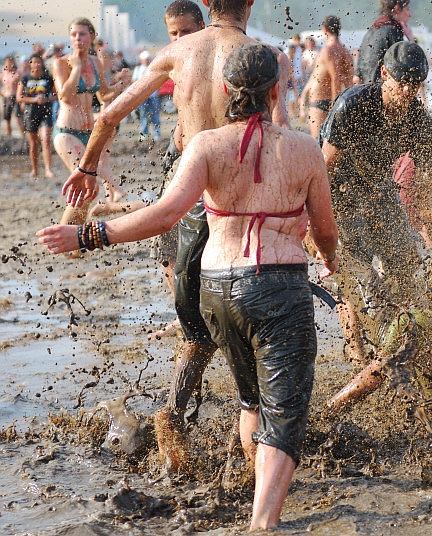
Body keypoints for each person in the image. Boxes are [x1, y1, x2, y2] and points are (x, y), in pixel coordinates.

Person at [39, 43, 338, 532]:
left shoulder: (204, 145)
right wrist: (328, 259)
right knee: (284, 414)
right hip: (279, 288)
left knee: (251, 401)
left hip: (218, 290)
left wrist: (87, 235)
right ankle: (262, 522)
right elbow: (324, 230)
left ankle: (250, 484)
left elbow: (165, 215)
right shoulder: (304, 149)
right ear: (277, 91)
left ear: (224, 90)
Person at [59, 0, 291, 472]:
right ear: (250, 4)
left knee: (196, 332)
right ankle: (242, 445)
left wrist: (86, 168)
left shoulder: (179, 52)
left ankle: (173, 426)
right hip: (242, 207)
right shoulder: (261, 56)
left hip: (190, 203)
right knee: (251, 325)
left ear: (207, 5)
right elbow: (280, 130)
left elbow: (110, 115)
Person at [320, 40, 432, 364]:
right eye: (402, 84)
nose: (408, 93)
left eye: (415, 86)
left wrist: (427, 223)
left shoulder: (418, 120)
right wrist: (313, 222)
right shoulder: (353, 105)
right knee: (358, 277)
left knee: (407, 260)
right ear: (384, 73)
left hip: (379, 189)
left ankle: (400, 341)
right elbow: (322, 168)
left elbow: (427, 178)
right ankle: (356, 353)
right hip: (339, 193)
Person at [148, 0, 207, 341]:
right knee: (165, 245)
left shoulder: (213, 56)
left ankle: (193, 320)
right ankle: (183, 314)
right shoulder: (173, 60)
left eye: (186, 31)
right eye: (174, 33)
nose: (180, 38)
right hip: (179, 152)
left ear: (201, 27)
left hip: (202, 157)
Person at [52, 18, 131, 228]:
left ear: (92, 36)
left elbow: (104, 95)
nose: (78, 38)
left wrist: (121, 85)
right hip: (66, 133)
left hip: (89, 133)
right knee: (86, 183)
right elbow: (66, 97)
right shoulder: (60, 63)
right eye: (74, 34)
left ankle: (74, 236)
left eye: (83, 34)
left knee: (90, 188)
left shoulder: (95, 62)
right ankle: (67, 236)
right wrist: (76, 68)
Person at [298, 15, 353, 139]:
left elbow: (336, 78)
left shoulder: (329, 50)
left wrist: (335, 105)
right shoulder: (345, 52)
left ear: (324, 29)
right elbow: (348, 81)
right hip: (334, 101)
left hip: (321, 102)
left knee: (317, 144)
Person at [354, 0, 414, 85]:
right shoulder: (393, 30)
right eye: (407, 9)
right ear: (397, 8)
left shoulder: (371, 30)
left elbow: (357, 78)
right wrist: (411, 38)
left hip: (367, 91)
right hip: (382, 92)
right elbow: (408, 65)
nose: (410, 14)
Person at [16, 54, 56, 178]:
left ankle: (48, 169)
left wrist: (47, 99)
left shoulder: (48, 78)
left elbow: (57, 95)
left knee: (46, 139)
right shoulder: (25, 79)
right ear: (30, 64)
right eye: (35, 62)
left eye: (39, 62)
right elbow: (19, 97)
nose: (37, 65)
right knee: (33, 143)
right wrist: (34, 100)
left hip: (45, 112)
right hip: (30, 113)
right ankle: (35, 169)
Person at [132, 51, 161, 142]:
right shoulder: (138, 69)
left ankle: (157, 134)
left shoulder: (153, 68)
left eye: (148, 59)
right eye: (145, 59)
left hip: (153, 96)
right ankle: (144, 134)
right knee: (143, 116)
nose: (147, 61)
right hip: (143, 97)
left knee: (155, 115)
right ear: (142, 60)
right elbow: (134, 82)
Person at [2, 56, 24, 137]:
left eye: (11, 62)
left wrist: (22, 100)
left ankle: (23, 136)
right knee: (7, 118)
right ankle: (9, 135)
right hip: (6, 97)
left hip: (16, 97)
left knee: (18, 118)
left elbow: (23, 85)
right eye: (7, 62)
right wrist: (1, 92)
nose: (9, 64)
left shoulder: (18, 73)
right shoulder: (4, 73)